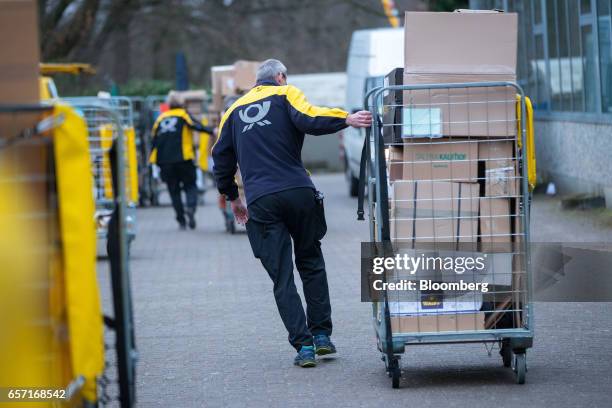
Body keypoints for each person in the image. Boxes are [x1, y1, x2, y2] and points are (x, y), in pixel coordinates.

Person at [212, 59, 372, 367]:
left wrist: (233, 198)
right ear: (280, 76)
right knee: (310, 261)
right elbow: (310, 117)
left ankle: (304, 347)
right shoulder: (287, 94)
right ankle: (322, 336)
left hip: (261, 200)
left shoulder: (231, 113)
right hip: (299, 191)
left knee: (282, 277)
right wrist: (346, 119)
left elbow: (221, 158)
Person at [149, 91, 214, 229]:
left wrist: (153, 161)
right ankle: (190, 208)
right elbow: (195, 125)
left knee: (174, 191)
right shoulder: (183, 115)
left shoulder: (160, 118)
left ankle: (181, 220)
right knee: (190, 186)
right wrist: (211, 131)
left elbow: (153, 139)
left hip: (164, 161)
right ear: (181, 103)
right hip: (183, 159)